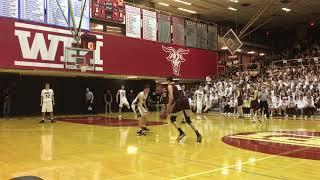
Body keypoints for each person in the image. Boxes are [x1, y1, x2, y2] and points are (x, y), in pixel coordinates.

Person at [164, 76, 202, 142]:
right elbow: (178, 97)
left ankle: (181, 132)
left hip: (179, 101)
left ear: (168, 81)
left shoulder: (170, 86)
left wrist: (168, 107)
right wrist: (171, 107)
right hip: (185, 100)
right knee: (188, 120)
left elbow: (172, 98)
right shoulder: (177, 84)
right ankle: (198, 135)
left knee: (172, 119)